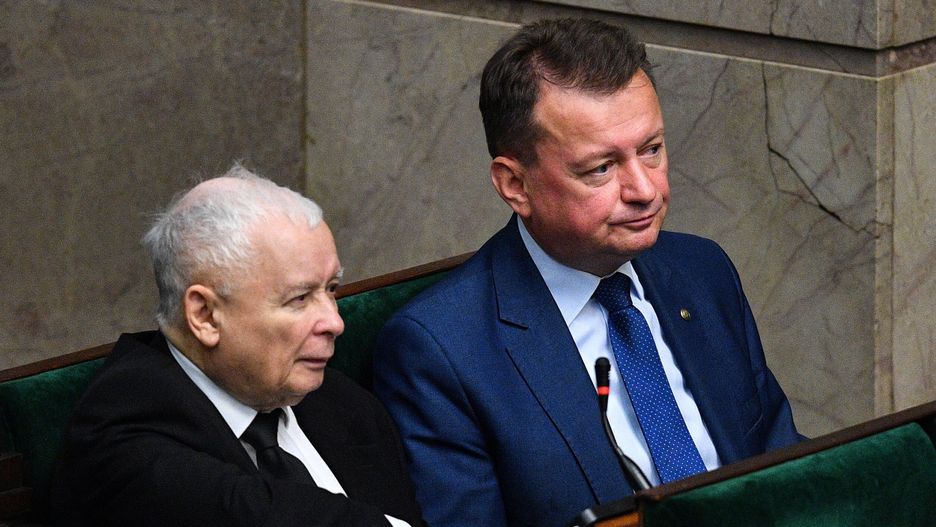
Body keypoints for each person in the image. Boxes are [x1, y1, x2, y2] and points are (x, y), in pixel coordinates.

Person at [373, 18, 802, 527]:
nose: (645, 190)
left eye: (652, 150)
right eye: (601, 168)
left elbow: (785, 468)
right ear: (515, 185)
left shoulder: (702, 271)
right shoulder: (441, 351)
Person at [55, 166, 422, 527]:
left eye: (331, 289)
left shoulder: (344, 404)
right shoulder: (122, 431)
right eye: (299, 298)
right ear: (205, 316)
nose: (335, 322)